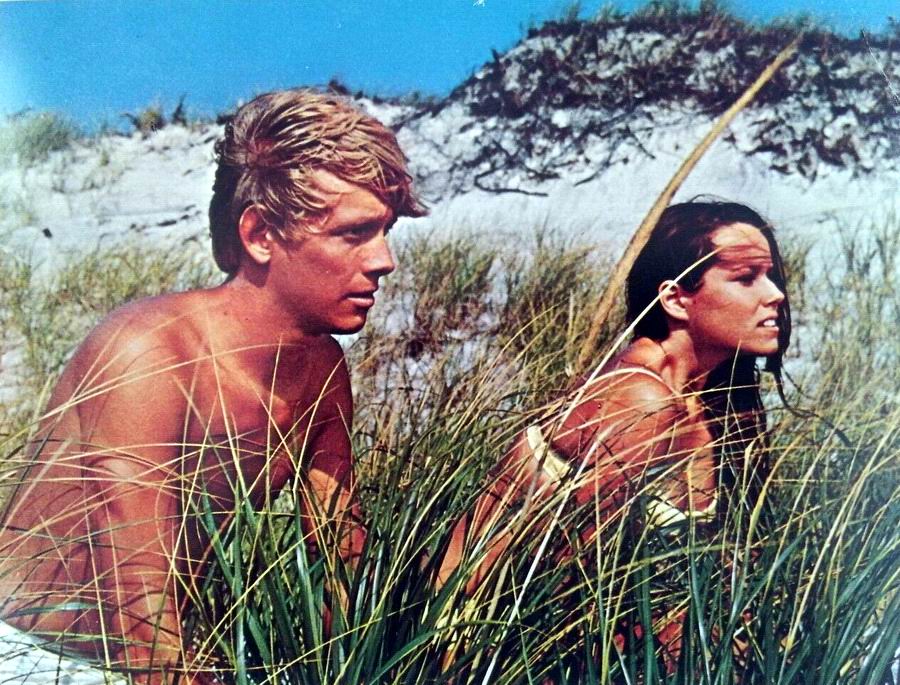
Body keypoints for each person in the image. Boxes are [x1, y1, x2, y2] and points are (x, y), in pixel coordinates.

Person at [0, 88, 425, 684]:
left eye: (385, 232)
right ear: (260, 234)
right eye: (354, 234)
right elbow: (140, 611)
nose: (383, 260)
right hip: (32, 655)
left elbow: (339, 558)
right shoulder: (150, 355)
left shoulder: (321, 370)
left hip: (163, 649)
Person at [444, 200, 790, 668]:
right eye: (746, 278)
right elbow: (564, 591)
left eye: (770, 276)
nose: (775, 295)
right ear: (675, 300)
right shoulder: (639, 401)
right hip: (493, 653)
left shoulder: (710, 400)